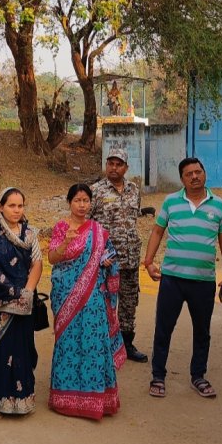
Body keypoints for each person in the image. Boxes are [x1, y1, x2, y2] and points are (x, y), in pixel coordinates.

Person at [142, 157, 222, 400]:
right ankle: (158, 375)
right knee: (163, 329)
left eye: (198, 172)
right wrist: (148, 262)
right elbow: (157, 231)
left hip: (204, 281)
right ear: (182, 179)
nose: (195, 176)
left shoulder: (220, 206)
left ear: (204, 173)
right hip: (172, 279)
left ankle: (198, 376)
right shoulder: (171, 202)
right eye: (189, 174)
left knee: (202, 331)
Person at [47, 183, 125, 419]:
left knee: (93, 343)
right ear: (69, 202)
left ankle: (96, 398)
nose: (82, 205)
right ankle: (64, 397)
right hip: (66, 296)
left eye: (86, 200)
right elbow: (52, 258)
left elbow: (108, 256)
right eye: (77, 200)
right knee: (69, 343)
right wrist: (65, 242)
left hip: (93, 297)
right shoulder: (61, 227)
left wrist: (107, 263)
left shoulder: (99, 231)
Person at [0, 187, 43, 420]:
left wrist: (27, 291)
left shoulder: (31, 234)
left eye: (20, 205)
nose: (16, 210)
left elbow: (37, 264)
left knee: (22, 350)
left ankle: (20, 399)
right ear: (1, 207)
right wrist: (12, 290)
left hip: (23, 301)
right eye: (11, 205)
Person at [89, 148, 148, 363]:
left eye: (118, 164)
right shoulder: (95, 191)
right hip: (105, 262)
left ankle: (127, 343)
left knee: (129, 303)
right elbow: (87, 225)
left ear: (126, 167)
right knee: (103, 302)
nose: (114, 168)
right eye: (110, 163)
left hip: (130, 259)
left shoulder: (134, 190)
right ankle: (103, 345)